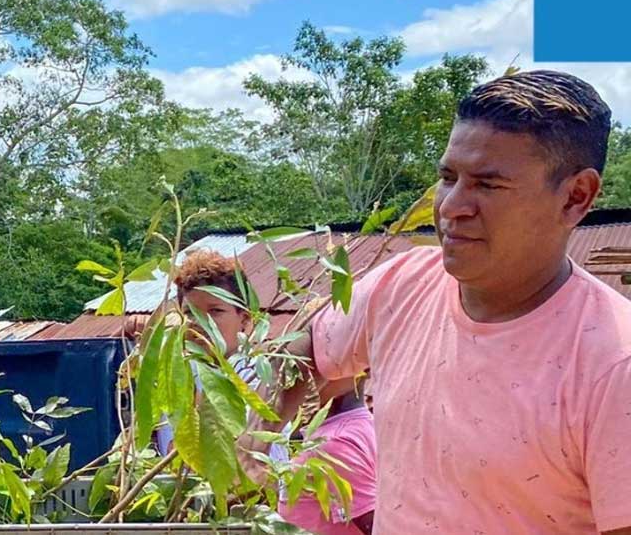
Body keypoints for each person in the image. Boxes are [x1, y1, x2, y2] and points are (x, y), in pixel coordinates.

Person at [258, 71, 631, 533]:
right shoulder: (400, 286)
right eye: (448, 177)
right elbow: (310, 346)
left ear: (576, 197)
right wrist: (255, 432)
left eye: (488, 185)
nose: (452, 205)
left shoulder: (614, 364)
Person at [171, 250, 377, 533]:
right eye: (190, 314)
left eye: (215, 311)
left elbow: (253, 469)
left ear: (245, 320)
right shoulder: (180, 375)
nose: (201, 323)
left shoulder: (261, 376)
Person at [277, 374, 377, 535]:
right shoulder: (366, 425)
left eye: (316, 368)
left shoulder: (335, 442)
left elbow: (375, 526)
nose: (306, 377)